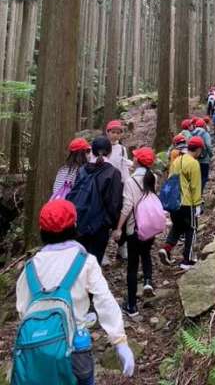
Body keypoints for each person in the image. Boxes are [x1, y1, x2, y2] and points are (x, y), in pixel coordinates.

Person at [15, 200, 135, 384]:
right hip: (75, 351)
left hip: (35, 350)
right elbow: (105, 301)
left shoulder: (30, 268)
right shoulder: (85, 262)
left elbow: (23, 310)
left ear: (41, 230)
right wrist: (120, 342)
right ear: (74, 226)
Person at [112, 147, 158, 317]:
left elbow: (127, 206)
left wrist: (118, 228)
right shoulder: (153, 177)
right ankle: (147, 281)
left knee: (132, 266)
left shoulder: (131, 181)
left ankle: (131, 306)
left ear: (138, 161)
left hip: (135, 227)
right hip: (150, 226)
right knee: (146, 253)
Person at [67, 136, 123, 266]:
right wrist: (114, 225)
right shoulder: (113, 172)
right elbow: (114, 203)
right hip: (100, 226)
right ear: (110, 152)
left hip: (80, 222)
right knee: (94, 263)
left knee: (78, 262)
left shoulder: (82, 170)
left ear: (91, 151)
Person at [158, 136, 203, 270]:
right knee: (191, 229)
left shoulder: (177, 160)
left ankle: (166, 248)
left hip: (174, 202)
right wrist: (198, 204)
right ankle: (187, 260)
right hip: (187, 203)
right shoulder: (194, 163)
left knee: (177, 226)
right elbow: (195, 186)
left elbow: (170, 179)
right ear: (198, 149)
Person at [192, 118, 213, 191]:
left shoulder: (192, 133)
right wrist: (211, 155)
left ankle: (194, 191)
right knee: (204, 176)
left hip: (194, 158)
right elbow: (208, 145)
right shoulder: (205, 134)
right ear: (204, 125)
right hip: (204, 159)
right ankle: (200, 192)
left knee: (196, 176)